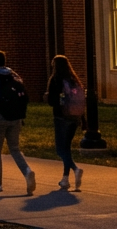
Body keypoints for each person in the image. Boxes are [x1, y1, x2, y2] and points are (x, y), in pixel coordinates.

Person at [0, 49, 35, 195]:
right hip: (16, 118)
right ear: (5, 60)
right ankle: (27, 171)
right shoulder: (15, 76)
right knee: (15, 148)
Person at [45, 55, 84, 192]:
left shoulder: (55, 80)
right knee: (66, 148)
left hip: (61, 117)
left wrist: (48, 97)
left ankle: (75, 168)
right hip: (74, 117)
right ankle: (65, 179)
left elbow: (52, 101)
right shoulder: (74, 80)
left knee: (60, 150)